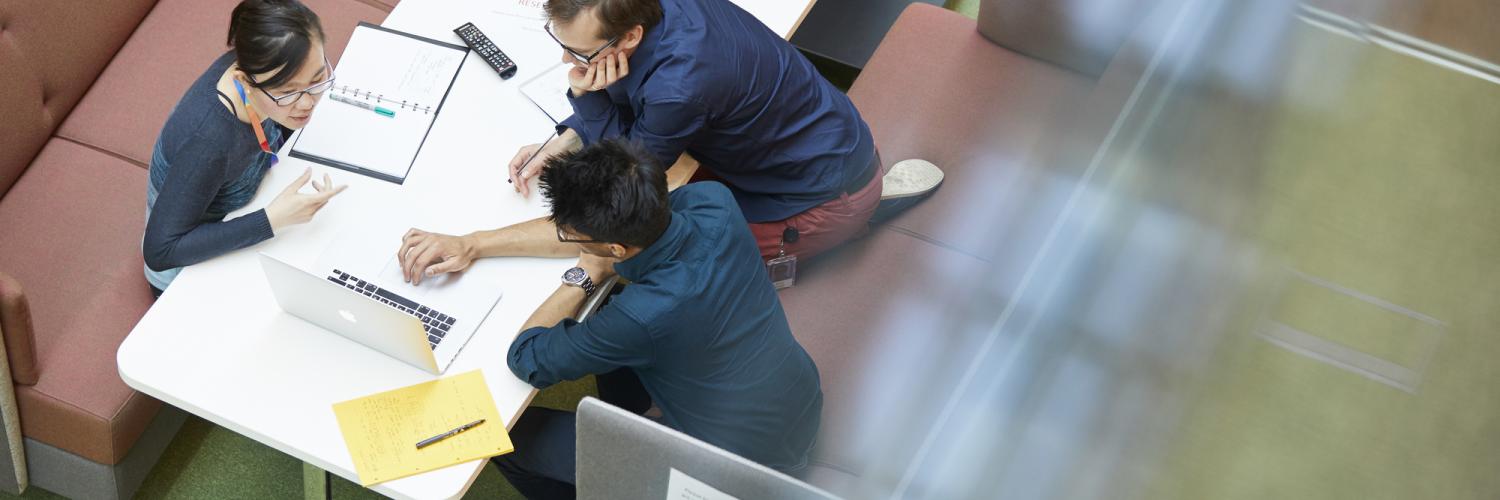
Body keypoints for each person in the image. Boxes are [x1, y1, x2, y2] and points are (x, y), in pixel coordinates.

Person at [479, 139, 822, 498]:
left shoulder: (642, 315)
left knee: (508, 441)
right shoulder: (713, 201)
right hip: (797, 405)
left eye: (571, 236)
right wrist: (472, 244)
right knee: (614, 308)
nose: (568, 239)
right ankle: (632, 417)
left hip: (740, 471)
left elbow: (526, 357)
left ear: (616, 249)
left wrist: (584, 274)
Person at [497, 0, 942, 263]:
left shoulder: (681, 87)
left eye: (579, 52)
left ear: (629, 37)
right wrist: (567, 137)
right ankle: (863, 202)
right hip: (824, 139)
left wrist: (588, 97)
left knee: (650, 248)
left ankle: (851, 224)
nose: (566, 62)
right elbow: (639, 106)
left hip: (815, 198)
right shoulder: (656, 11)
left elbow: (626, 173)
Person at [142, 0, 347, 296]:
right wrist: (273, 218)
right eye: (287, 91)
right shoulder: (209, 143)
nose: (307, 103)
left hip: (242, 214)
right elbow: (160, 250)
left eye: (316, 79)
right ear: (243, 80)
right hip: (189, 270)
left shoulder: (258, 69)